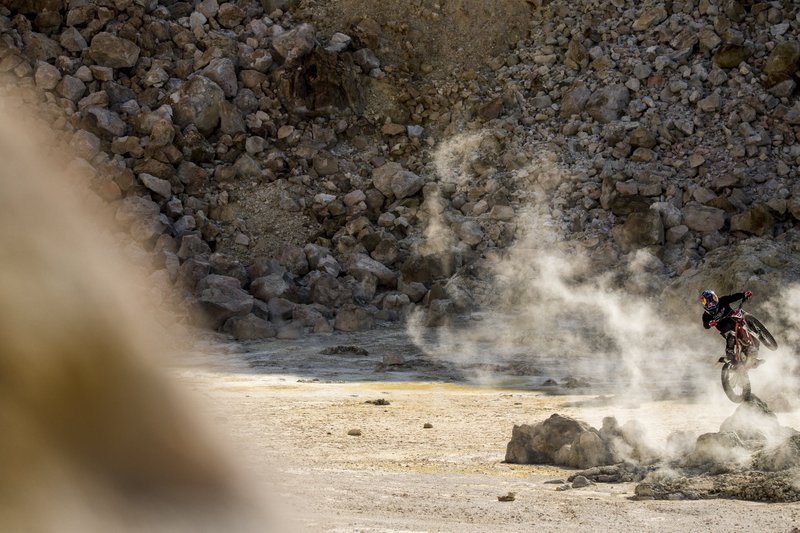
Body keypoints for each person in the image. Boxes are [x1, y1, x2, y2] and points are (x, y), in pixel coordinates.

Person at [700, 289, 756, 363]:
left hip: (734, 320)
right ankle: (730, 352)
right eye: (709, 303)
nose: (712, 304)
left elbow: (733, 297)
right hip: (725, 329)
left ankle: (757, 333)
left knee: (745, 320)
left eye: (713, 300)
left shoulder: (722, 300)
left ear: (716, 297)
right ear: (705, 304)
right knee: (731, 335)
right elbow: (705, 325)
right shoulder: (706, 314)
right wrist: (710, 323)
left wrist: (744, 294)